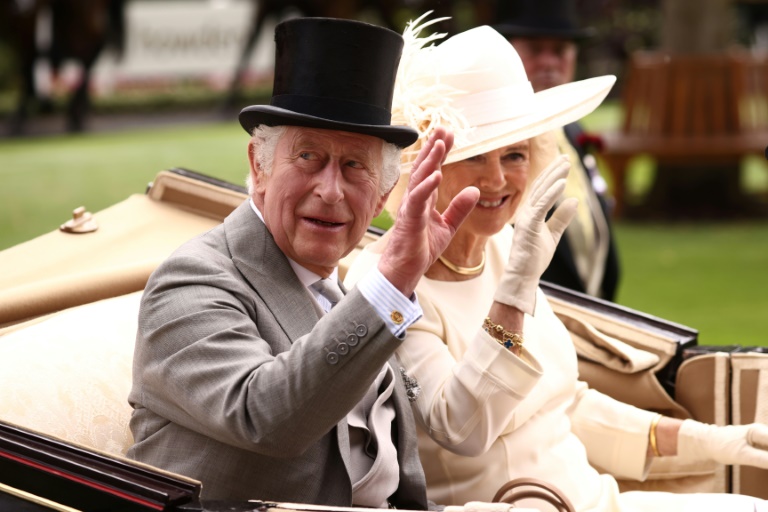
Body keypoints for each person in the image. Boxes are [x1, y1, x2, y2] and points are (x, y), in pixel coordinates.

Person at [345, 21, 768, 512]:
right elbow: (460, 426)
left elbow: (564, 403)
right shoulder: (386, 284)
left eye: (515, 154)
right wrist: (514, 295)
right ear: (425, 165)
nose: (499, 178)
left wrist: (709, 441)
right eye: (476, 156)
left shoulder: (504, 246)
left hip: (595, 499)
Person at [127, 17, 480, 504]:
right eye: (309, 157)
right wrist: (392, 282)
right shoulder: (192, 281)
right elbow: (267, 418)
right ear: (259, 166)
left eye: (354, 166)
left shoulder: (339, 292)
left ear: (380, 195)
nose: (331, 191)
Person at [493, 0, 621, 302]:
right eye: (536, 50)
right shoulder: (495, 143)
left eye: (560, 51)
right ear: (510, 54)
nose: (549, 62)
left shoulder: (573, 130)